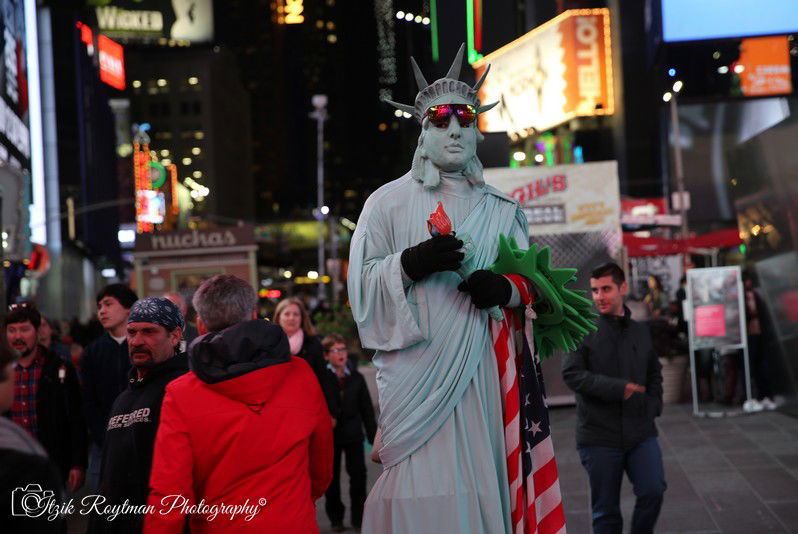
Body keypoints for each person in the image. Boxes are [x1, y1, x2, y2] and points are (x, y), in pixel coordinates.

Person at [348, 44, 539, 532]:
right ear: (423, 132)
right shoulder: (384, 204)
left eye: (466, 119)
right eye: (440, 119)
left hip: (481, 375)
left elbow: (536, 289)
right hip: (413, 376)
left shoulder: (504, 210)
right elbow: (360, 291)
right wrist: (407, 265)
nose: (455, 129)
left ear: (476, 130)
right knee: (415, 490)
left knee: (481, 483)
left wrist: (504, 289)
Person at [144, 274, 333, 532]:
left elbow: (169, 494)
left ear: (201, 325)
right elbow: (321, 464)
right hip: (292, 521)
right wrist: (294, 501)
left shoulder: (181, 394)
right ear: (253, 315)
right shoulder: (300, 374)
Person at [562, 262, 666, 534]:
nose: (599, 296)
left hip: (640, 431)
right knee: (606, 512)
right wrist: (618, 388)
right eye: (595, 290)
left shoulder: (640, 331)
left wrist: (653, 405)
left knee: (653, 491)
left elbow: (654, 372)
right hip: (598, 436)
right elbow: (572, 374)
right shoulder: (582, 329)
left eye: (606, 289)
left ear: (623, 288)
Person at [88, 297, 188, 534]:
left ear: (174, 336)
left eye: (149, 332)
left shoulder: (183, 391)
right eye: (132, 332)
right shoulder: (124, 398)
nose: (136, 341)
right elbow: (107, 477)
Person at [4, 303, 87, 494]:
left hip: (50, 464)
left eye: (24, 329)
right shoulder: (4, 370)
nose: (17, 336)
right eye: (12, 330)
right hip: (9, 466)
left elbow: (76, 418)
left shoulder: (58, 367)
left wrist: (78, 463)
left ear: (37, 331)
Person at [81, 284, 139, 491]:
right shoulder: (93, 351)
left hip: (140, 437)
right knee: (103, 497)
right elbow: (88, 399)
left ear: (128, 309)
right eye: (99, 306)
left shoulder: (143, 346)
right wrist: (101, 435)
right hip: (104, 441)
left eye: (108, 304)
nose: (102, 311)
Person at [319, 334, 377, 532]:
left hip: (353, 435)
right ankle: (336, 519)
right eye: (335, 350)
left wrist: (373, 437)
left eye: (343, 349)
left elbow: (367, 410)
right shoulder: (322, 377)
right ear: (326, 355)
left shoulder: (356, 377)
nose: (341, 353)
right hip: (331, 436)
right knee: (331, 479)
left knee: (358, 477)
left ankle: (358, 518)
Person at [274, 297, 325, 378]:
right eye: (287, 314)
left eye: (296, 314)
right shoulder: (270, 344)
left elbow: (322, 375)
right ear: (278, 317)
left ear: (302, 318)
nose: (291, 318)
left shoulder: (314, 342)